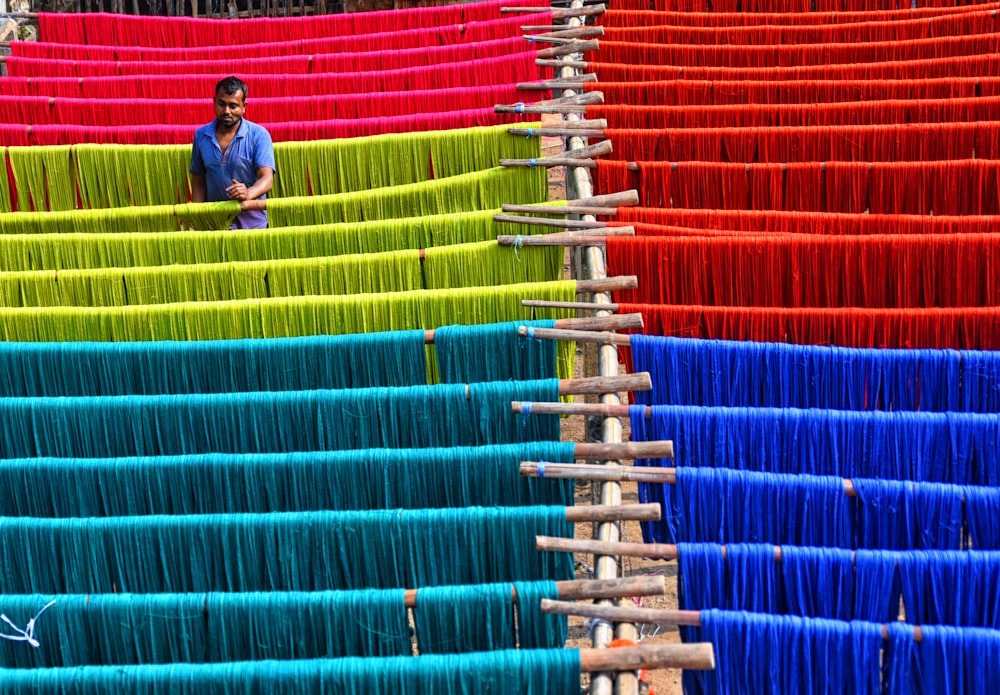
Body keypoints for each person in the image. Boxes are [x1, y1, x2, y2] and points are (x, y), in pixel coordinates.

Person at [190, 76, 276, 229]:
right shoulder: (201, 136)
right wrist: (199, 219)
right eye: (221, 104)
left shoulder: (259, 135)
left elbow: (267, 179)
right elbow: (198, 182)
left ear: (244, 106)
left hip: (253, 226)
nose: (226, 111)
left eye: (233, 106)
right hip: (214, 225)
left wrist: (248, 193)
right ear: (214, 101)